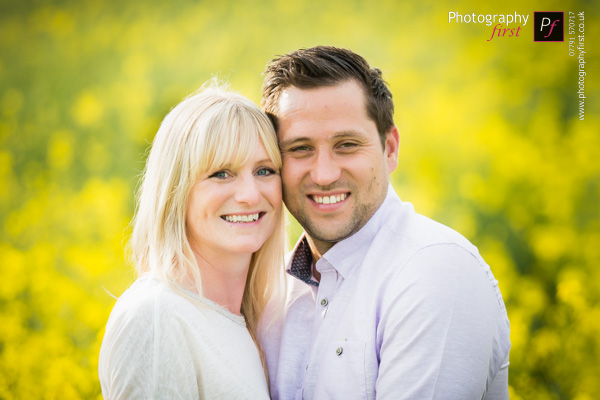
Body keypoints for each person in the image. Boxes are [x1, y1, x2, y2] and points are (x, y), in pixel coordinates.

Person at [257, 46, 511, 399]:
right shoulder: (270, 294)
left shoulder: (435, 271)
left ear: (389, 148)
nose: (325, 174)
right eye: (300, 148)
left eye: (346, 144)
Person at [98, 85, 286, 399]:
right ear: (176, 190)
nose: (251, 195)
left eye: (264, 170)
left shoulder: (253, 321)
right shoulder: (157, 318)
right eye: (222, 173)